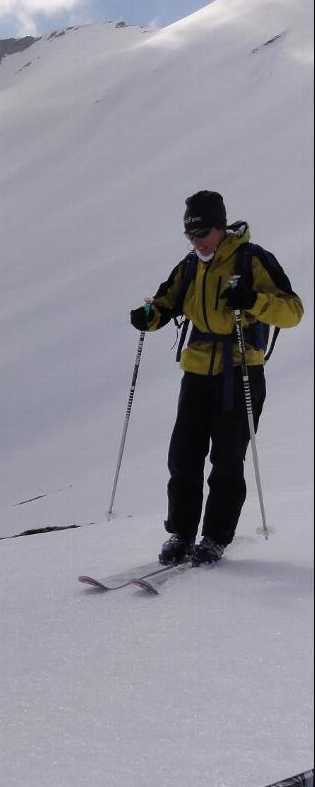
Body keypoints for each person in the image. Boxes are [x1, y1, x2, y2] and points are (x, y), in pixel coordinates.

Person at [130, 191, 303, 567]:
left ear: (221, 226)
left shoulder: (252, 260)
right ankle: (181, 533)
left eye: (203, 233)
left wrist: (252, 300)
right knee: (184, 455)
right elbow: (164, 302)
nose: (197, 242)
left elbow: (293, 311)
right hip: (196, 373)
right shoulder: (191, 266)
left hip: (240, 371)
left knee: (227, 458)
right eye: (191, 236)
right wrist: (147, 316)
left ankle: (214, 538)